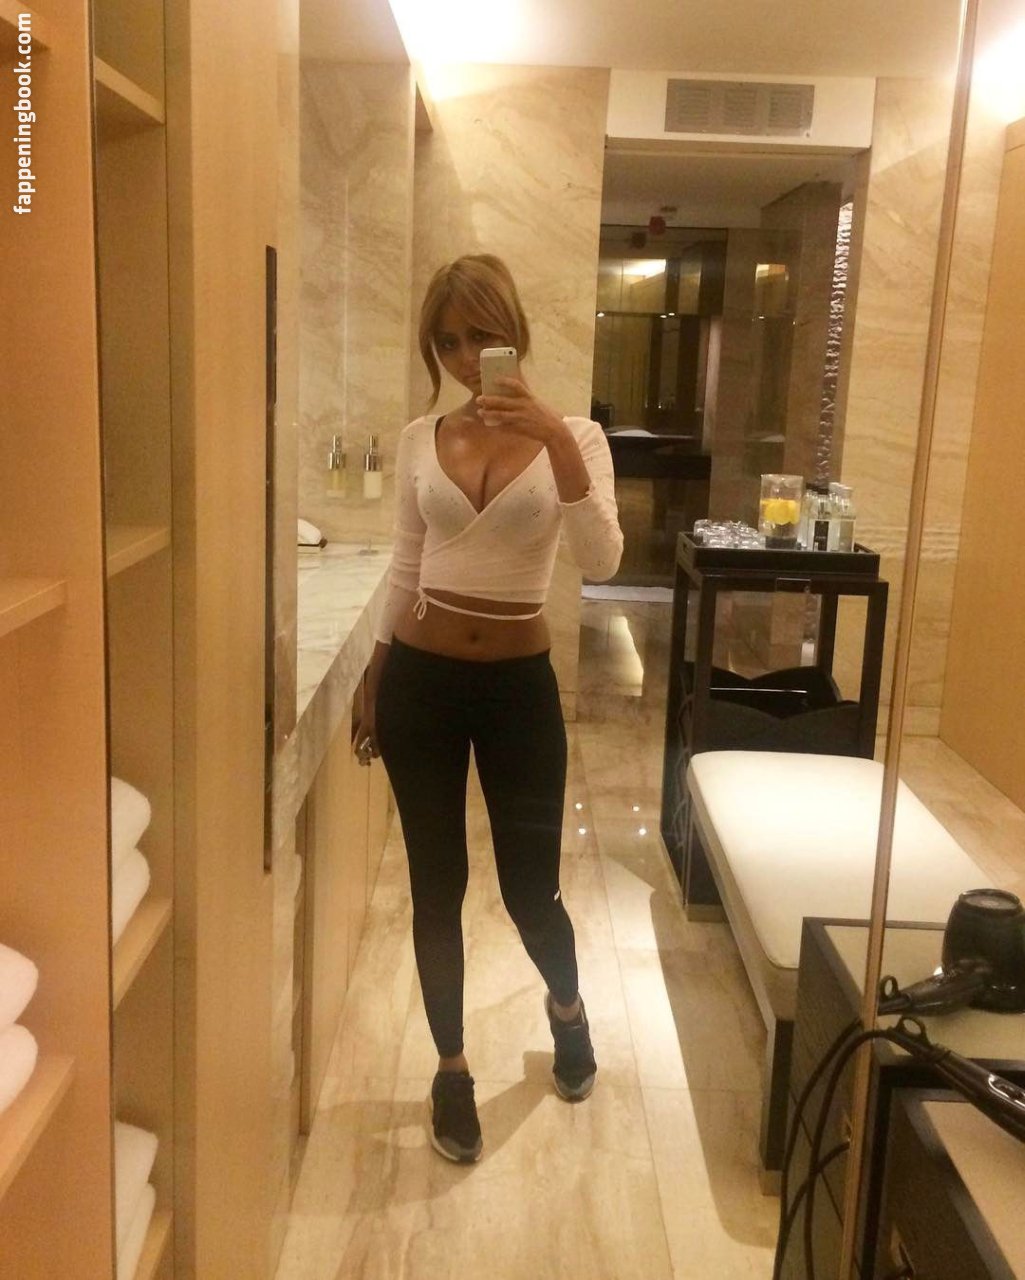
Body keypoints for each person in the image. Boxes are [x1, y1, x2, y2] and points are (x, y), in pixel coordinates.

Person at [355, 253, 623, 1164]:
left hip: (517, 692)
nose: (467, 357)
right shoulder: (419, 437)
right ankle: (452, 1069)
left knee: (529, 892)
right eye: (448, 342)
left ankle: (568, 1011)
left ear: (515, 332)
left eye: (481, 335)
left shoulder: (576, 437)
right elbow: (405, 563)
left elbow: (602, 561)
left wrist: (553, 441)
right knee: (435, 886)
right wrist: (376, 671)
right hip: (419, 685)